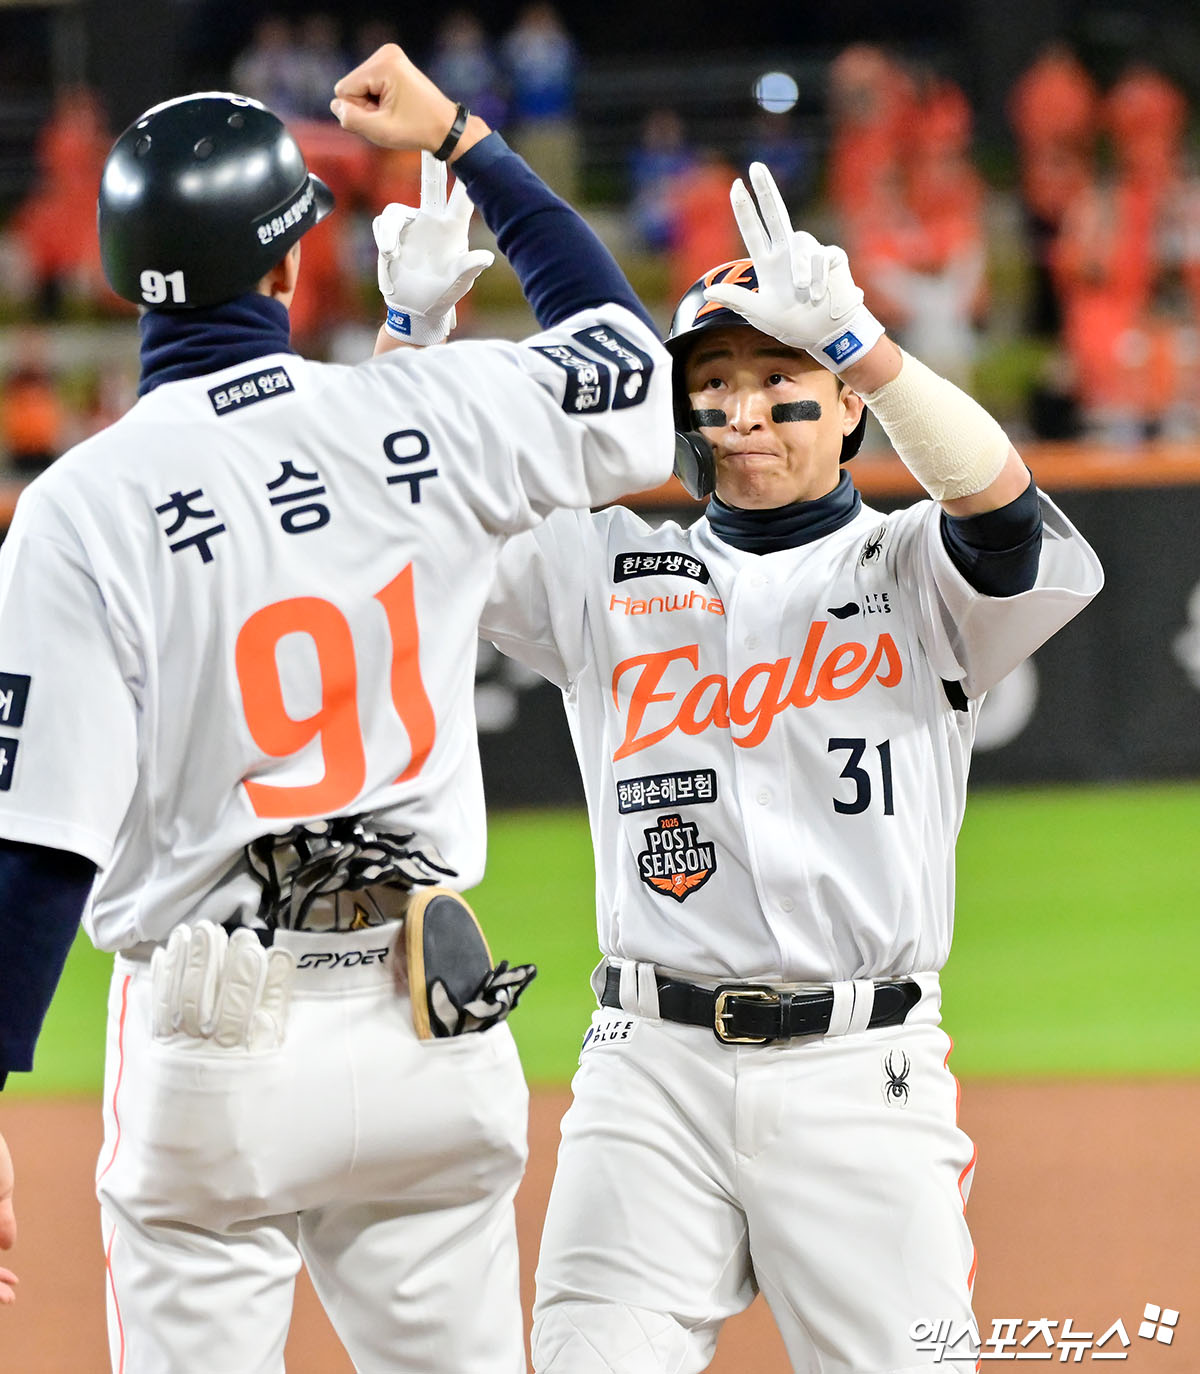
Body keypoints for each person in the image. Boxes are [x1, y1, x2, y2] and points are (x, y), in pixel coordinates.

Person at [0, 40, 674, 1372]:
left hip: (215, 1047)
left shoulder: (82, 506)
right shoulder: (432, 407)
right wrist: (463, 139)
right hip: (433, 1030)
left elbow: (36, 849)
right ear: (291, 263)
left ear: (122, 276)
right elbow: (628, 369)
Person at [469, 162, 1102, 1371]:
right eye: (713, 383)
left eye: (780, 378)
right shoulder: (601, 570)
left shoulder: (916, 568)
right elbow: (419, 518)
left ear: (848, 408)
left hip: (860, 1075)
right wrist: (414, 337)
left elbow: (1005, 511)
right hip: (646, 1074)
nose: (744, 408)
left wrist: (864, 345)